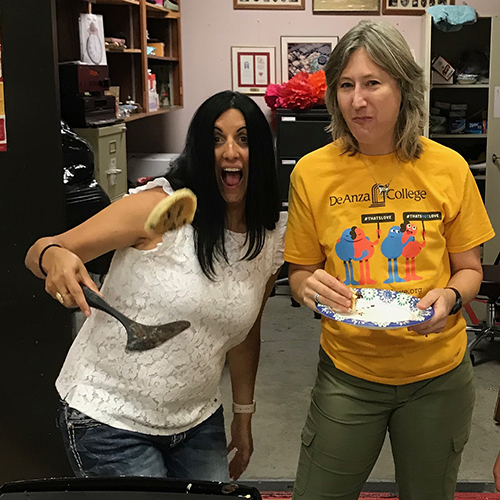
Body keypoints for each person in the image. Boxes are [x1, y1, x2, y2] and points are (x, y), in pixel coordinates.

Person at [25, 90, 286, 481]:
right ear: (200, 149)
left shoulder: (265, 241)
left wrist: (243, 417)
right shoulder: (159, 208)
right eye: (216, 139)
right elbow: (40, 250)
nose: (230, 152)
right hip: (109, 419)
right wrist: (55, 258)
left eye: (244, 139)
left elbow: (246, 336)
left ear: (262, 153)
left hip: (197, 420)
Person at [284, 20, 494, 500]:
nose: (358, 100)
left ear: (403, 87)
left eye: (373, 83)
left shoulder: (449, 167)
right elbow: (299, 272)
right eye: (346, 85)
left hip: (437, 376)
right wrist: (307, 289)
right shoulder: (312, 173)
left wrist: (451, 297)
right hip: (348, 374)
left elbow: (470, 269)